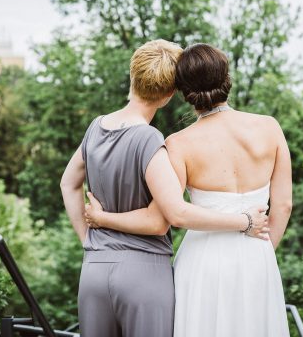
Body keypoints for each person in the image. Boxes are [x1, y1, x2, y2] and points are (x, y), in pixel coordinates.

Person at [60, 39, 269, 337]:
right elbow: (161, 221)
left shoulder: (96, 127)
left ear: (132, 76)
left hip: (93, 270)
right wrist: (245, 221)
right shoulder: (149, 139)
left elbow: (68, 183)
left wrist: (88, 239)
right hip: (144, 276)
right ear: (170, 94)